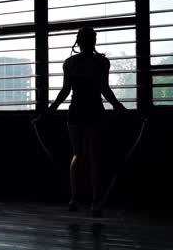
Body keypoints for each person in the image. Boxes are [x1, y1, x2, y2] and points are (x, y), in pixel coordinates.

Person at [36, 27, 127, 217]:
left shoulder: (76, 63)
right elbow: (102, 89)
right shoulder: (97, 62)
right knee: (88, 155)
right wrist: (119, 107)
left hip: (85, 111)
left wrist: (118, 106)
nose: (87, 42)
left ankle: (79, 199)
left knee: (82, 155)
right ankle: (88, 199)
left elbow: (70, 90)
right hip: (86, 111)